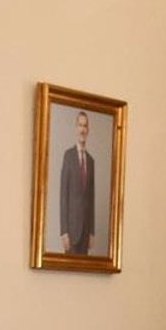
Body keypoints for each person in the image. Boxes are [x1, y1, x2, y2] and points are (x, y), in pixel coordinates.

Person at [59, 109, 97, 255]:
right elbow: (63, 195)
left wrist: (92, 232)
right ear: (76, 128)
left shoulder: (91, 161)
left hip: (86, 232)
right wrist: (64, 231)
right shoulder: (68, 156)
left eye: (85, 126)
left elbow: (91, 198)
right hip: (71, 232)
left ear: (88, 130)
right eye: (80, 125)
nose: (82, 129)